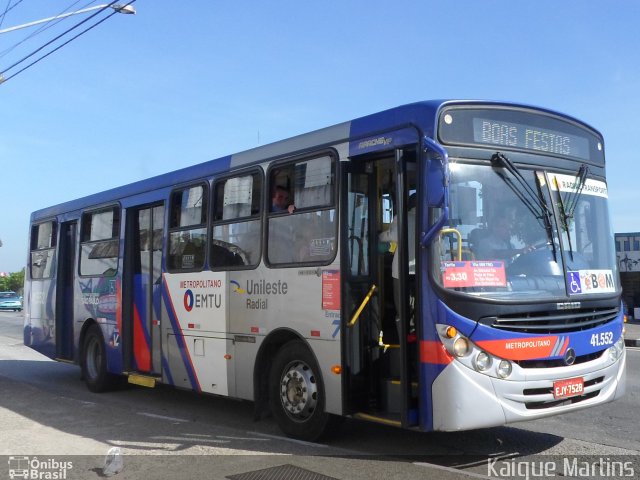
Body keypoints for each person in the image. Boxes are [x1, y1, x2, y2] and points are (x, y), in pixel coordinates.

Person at [379, 194, 416, 340]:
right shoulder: (428, 218)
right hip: (420, 272)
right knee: (415, 306)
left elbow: (393, 236)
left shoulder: (402, 217)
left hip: (401, 271)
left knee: (402, 308)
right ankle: (414, 335)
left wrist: (378, 237)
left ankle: (403, 340)